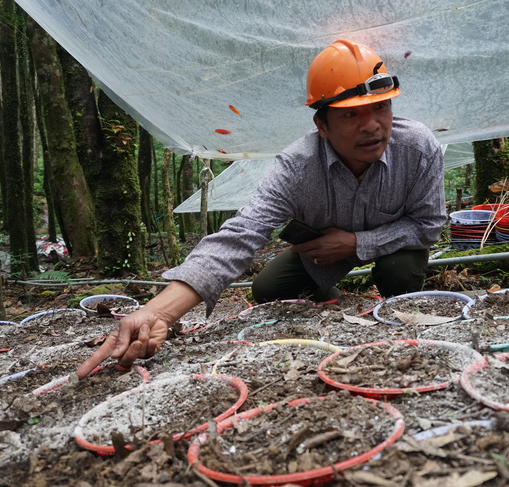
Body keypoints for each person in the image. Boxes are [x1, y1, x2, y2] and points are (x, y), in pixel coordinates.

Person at [76, 39, 446, 378]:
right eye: (351, 115)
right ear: (322, 124)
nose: (372, 126)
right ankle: (335, 302)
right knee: (268, 288)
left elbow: (428, 226)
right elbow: (240, 235)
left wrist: (355, 244)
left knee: (399, 272)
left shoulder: (418, 148)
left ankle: (399, 325)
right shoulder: (297, 167)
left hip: (394, 245)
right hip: (322, 254)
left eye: (380, 107)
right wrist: (158, 311)